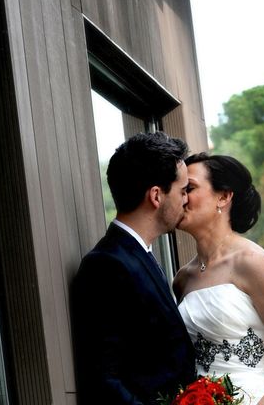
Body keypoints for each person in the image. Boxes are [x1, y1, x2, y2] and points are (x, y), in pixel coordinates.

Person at [174, 153, 264, 405]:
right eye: (180, 190)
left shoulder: (251, 261)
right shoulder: (183, 279)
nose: (181, 198)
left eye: (190, 188)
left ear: (224, 196)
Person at [71, 132, 196, 405]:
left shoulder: (140, 254)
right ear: (156, 196)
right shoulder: (106, 265)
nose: (187, 200)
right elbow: (105, 381)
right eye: (183, 190)